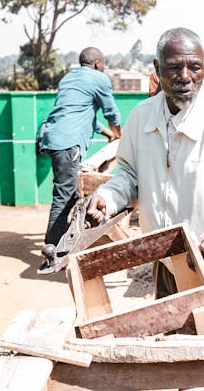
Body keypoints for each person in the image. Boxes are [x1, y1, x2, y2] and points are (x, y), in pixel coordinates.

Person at [85, 27, 204, 306]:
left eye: (194, 67)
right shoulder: (140, 118)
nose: (185, 77)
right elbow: (129, 174)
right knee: (170, 334)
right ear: (157, 69)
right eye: (174, 67)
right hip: (163, 257)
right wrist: (108, 197)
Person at [37, 47, 122, 273]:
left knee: (71, 193)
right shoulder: (99, 79)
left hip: (53, 139)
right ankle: (52, 250)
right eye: (103, 63)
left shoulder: (69, 79)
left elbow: (86, 117)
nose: (103, 67)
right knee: (65, 195)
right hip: (68, 143)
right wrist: (119, 134)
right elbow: (111, 112)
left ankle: (64, 246)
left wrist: (108, 135)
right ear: (96, 63)